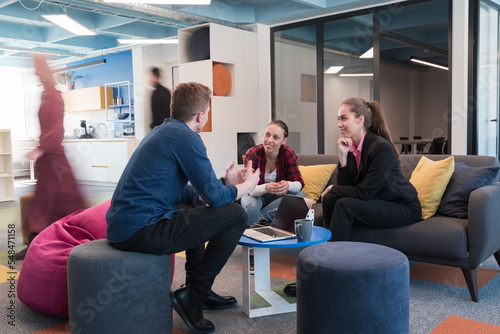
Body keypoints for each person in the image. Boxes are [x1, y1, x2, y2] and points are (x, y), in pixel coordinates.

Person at [106, 82, 260, 333]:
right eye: (208, 112)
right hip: (141, 229)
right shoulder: (187, 138)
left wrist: (226, 183)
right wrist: (248, 185)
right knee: (236, 215)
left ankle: (197, 289)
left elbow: (192, 192)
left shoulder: (163, 131)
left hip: (124, 226)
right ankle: (194, 296)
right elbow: (218, 200)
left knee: (194, 204)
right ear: (201, 115)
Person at [321, 97, 422, 241]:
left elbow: (364, 192)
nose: (339, 124)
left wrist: (333, 187)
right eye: (338, 119)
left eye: (344, 118)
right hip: (378, 200)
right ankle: (327, 246)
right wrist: (343, 157)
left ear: (360, 119)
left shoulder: (381, 147)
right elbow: (346, 187)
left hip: (402, 207)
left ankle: (333, 255)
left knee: (344, 205)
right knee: (331, 199)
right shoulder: (352, 147)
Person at [16, 55, 85, 260]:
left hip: (53, 158)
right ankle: (38, 241)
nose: (34, 72)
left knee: (58, 201)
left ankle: (60, 241)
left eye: (37, 68)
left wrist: (40, 149)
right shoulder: (47, 94)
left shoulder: (54, 96)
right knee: (46, 200)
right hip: (49, 158)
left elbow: (56, 129)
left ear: (44, 70)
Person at [241, 120, 305, 226]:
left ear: (284, 140)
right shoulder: (253, 154)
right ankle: (250, 239)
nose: (269, 140)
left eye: (275, 137)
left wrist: (288, 185)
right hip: (253, 195)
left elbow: (299, 184)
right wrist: (265, 187)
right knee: (252, 205)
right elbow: (249, 189)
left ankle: (261, 218)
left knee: (301, 196)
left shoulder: (288, 154)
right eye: (267, 135)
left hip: (276, 197)